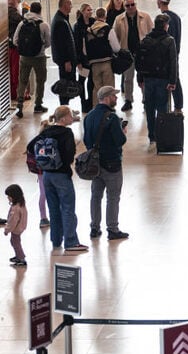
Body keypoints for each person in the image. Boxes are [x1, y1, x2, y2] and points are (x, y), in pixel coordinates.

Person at [27, 106, 87, 252]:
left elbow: (30, 146)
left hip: (47, 175)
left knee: (53, 208)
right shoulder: (66, 132)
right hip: (61, 175)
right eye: (71, 115)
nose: (72, 118)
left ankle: (56, 240)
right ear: (64, 118)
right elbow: (69, 154)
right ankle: (71, 241)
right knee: (67, 208)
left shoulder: (47, 131)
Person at [84, 86, 129, 240]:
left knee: (96, 196)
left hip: (94, 164)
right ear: (107, 97)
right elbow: (120, 141)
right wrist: (123, 133)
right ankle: (113, 229)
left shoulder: (89, 116)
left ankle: (94, 228)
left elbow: (86, 140)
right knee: (113, 196)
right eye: (114, 96)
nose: (116, 98)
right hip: (112, 164)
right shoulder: (112, 117)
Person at [136, 14, 178, 151]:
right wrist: (173, 81)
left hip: (148, 80)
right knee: (162, 108)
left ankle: (152, 136)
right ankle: (162, 136)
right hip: (163, 80)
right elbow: (173, 62)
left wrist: (140, 78)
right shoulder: (169, 41)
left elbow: (139, 61)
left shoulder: (146, 40)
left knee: (149, 108)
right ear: (165, 25)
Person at [113, 0, 154, 111]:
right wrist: (118, 52)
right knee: (127, 79)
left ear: (135, 4)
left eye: (132, 4)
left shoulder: (145, 17)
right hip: (127, 54)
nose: (130, 7)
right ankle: (128, 100)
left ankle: (146, 100)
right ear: (124, 7)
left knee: (144, 78)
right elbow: (115, 36)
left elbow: (152, 32)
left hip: (143, 54)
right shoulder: (119, 19)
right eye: (127, 5)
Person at [13, 0, 50, 117]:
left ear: (30, 10)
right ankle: (38, 105)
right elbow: (48, 42)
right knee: (40, 81)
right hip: (39, 57)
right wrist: (40, 48)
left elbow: (15, 40)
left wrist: (24, 48)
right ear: (40, 10)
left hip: (24, 57)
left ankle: (19, 104)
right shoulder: (43, 25)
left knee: (22, 80)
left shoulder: (22, 23)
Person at [84, 7, 119, 106]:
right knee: (108, 89)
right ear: (105, 16)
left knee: (97, 89)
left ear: (95, 17)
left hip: (94, 64)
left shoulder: (89, 30)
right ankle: (109, 111)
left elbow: (84, 49)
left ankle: (97, 109)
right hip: (107, 62)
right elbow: (116, 47)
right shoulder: (108, 28)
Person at [156, 0, 184, 112]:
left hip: (167, 55)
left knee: (170, 79)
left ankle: (169, 106)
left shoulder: (163, 19)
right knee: (175, 77)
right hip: (175, 52)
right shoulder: (176, 16)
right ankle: (178, 105)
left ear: (160, 3)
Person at [49, 0, 78, 108]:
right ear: (65, 5)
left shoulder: (62, 19)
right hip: (65, 61)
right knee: (66, 86)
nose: (71, 6)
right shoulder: (61, 22)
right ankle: (64, 108)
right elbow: (62, 44)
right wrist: (66, 60)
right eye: (70, 4)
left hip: (66, 60)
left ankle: (66, 108)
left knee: (66, 84)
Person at [72, 2, 94, 113]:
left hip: (92, 57)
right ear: (82, 12)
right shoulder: (77, 26)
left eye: (91, 10)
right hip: (83, 59)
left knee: (91, 81)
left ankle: (90, 101)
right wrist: (78, 61)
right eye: (88, 10)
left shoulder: (93, 22)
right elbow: (76, 44)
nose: (90, 12)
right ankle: (83, 102)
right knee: (82, 81)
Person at [4, 184, 27, 267]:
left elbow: (12, 221)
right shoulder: (21, 204)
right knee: (14, 242)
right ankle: (19, 255)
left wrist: (7, 230)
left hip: (16, 229)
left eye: (9, 196)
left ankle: (21, 258)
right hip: (20, 227)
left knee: (16, 243)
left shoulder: (15, 208)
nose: (8, 198)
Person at [7, 0, 22, 102]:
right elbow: (21, 21)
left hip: (11, 45)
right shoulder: (11, 11)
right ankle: (14, 93)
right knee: (15, 70)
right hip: (13, 46)